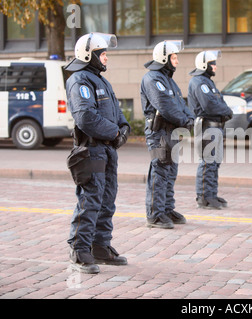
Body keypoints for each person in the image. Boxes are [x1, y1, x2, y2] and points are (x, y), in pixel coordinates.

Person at [64, 32, 130, 274]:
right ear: (88, 55)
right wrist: (114, 133)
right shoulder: (80, 80)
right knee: (90, 200)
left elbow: (117, 111)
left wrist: (123, 128)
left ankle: (100, 246)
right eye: (102, 54)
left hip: (107, 150)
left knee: (107, 200)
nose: (106, 58)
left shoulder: (101, 80)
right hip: (91, 150)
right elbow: (85, 116)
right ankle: (79, 250)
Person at [140, 40, 195, 229]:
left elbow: (180, 103)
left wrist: (189, 119)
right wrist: (184, 121)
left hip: (170, 132)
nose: (177, 61)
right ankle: (155, 215)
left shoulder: (167, 79)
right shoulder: (153, 78)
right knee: (159, 170)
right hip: (158, 133)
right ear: (164, 58)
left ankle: (166, 209)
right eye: (174, 57)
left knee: (170, 172)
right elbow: (165, 105)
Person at [188, 50, 233, 209]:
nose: (215, 66)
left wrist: (225, 110)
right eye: (212, 64)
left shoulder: (207, 82)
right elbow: (210, 105)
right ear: (203, 65)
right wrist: (226, 111)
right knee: (208, 162)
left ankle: (211, 194)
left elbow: (219, 102)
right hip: (207, 126)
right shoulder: (199, 82)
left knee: (215, 162)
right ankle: (204, 197)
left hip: (216, 127)